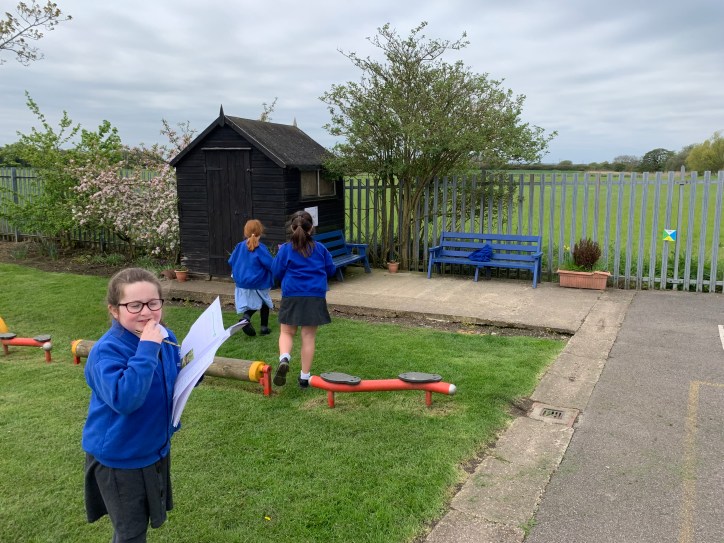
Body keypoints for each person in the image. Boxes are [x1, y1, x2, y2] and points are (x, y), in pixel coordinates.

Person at [82, 268, 182, 543]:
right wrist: (147, 348)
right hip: (120, 458)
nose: (147, 312)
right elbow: (126, 399)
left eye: (153, 303)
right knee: (131, 534)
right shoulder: (106, 351)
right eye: (134, 305)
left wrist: (192, 371)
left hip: (151, 447)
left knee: (138, 525)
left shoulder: (164, 336)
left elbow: (171, 375)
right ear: (114, 310)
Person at [272, 210, 336, 388]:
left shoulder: (285, 249)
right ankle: (304, 378)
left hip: (292, 294)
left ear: (292, 228)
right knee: (308, 337)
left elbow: (276, 272)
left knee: (286, 332)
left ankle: (284, 358)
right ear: (311, 228)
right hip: (315, 295)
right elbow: (331, 270)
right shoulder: (320, 248)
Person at [228, 219, 274, 336]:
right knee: (263, 301)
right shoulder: (261, 248)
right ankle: (256, 323)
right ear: (260, 232)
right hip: (258, 282)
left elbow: (231, 261)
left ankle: (249, 320)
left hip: (242, 282)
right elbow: (271, 265)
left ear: (245, 232)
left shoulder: (239, 246)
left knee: (259, 301)